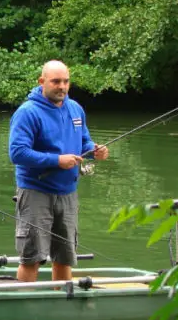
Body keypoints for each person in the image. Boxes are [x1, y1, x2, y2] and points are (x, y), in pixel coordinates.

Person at [8, 60, 109, 282]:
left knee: (65, 256)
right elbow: (17, 153)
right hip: (35, 191)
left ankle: (62, 301)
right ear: (42, 82)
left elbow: (84, 142)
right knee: (31, 256)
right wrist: (57, 160)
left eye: (66, 81)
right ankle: (24, 307)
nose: (62, 86)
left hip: (68, 193)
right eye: (56, 82)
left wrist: (94, 150)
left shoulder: (75, 109)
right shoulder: (27, 112)